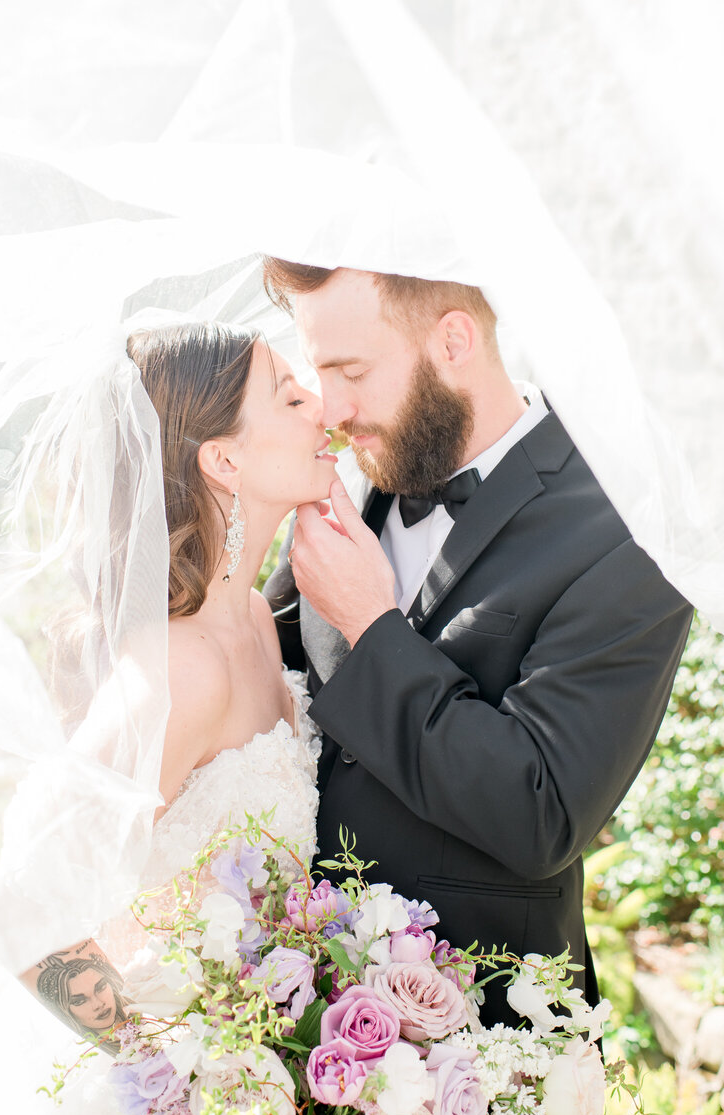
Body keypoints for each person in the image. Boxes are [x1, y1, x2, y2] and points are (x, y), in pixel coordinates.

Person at [261, 259, 694, 1029]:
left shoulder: (630, 528)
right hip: (294, 1019)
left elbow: (543, 812)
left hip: (486, 1039)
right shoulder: (354, 476)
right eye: (317, 370)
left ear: (454, 341)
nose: (331, 406)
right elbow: (268, 681)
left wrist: (372, 629)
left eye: (351, 369)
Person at [0, 320, 336, 1115]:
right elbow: (23, 911)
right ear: (223, 459)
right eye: (290, 396)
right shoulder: (179, 670)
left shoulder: (255, 619)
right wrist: (182, 1071)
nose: (319, 408)